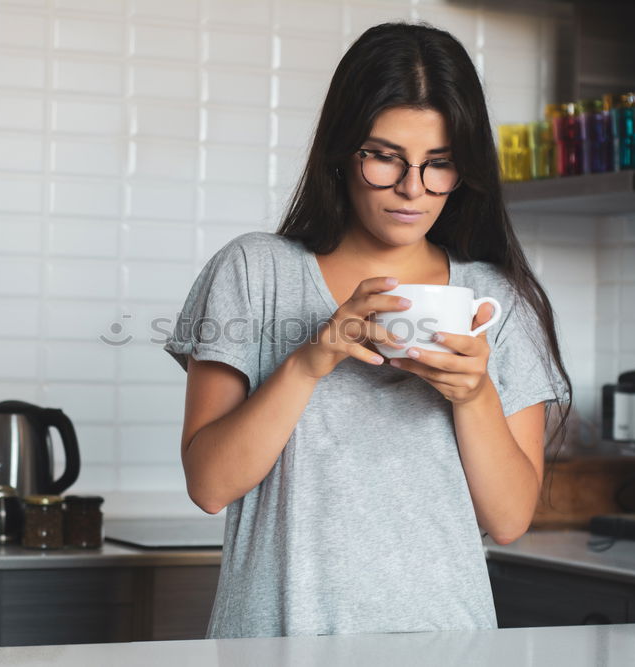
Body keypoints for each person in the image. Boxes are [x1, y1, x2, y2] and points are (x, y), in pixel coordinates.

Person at [162, 22, 572, 639]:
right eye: (385, 157)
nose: (413, 188)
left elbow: (509, 519)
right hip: (275, 642)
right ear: (341, 149)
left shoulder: (494, 300)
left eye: (440, 165)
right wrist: (310, 360)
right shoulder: (254, 271)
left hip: (444, 644)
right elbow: (209, 485)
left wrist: (474, 394)